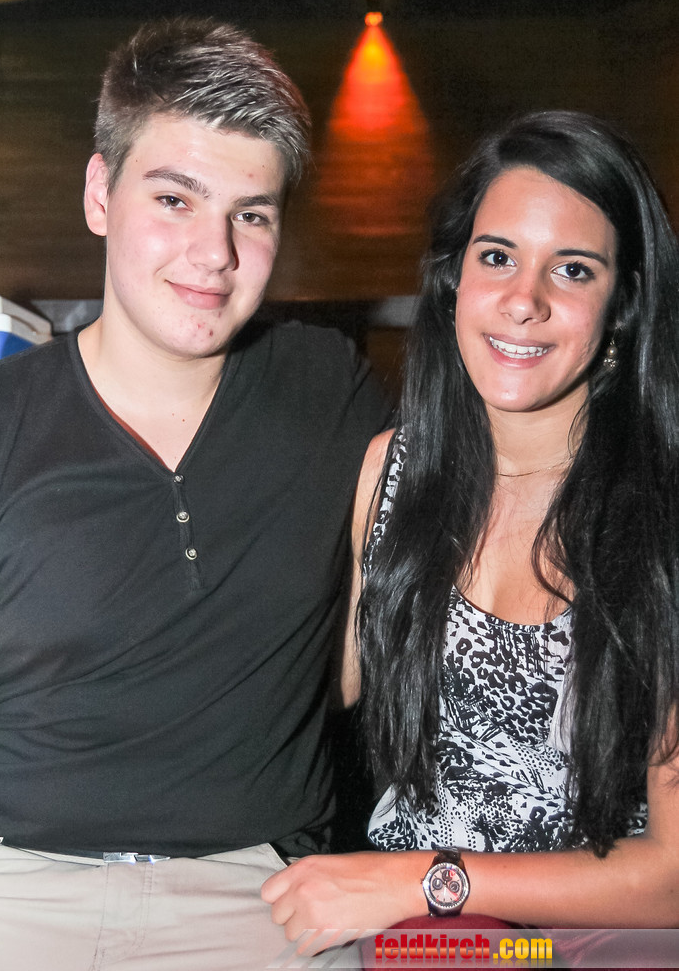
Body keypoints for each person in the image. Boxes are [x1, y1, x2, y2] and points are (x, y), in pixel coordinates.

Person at [0, 17, 389, 970]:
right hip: (17, 884)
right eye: (175, 199)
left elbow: (367, 648)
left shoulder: (329, 389)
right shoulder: (7, 417)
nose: (213, 252)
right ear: (100, 193)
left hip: (260, 895)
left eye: (251, 214)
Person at [262, 111, 679, 949]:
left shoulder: (662, 517)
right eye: (496, 257)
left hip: (583, 941)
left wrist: (425, 879)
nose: (523, 301)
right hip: (414, 940)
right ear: (452, 277)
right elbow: (298, 696)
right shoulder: (390, 475)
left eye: (572, 269)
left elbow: (672, 876)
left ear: (623, 305)